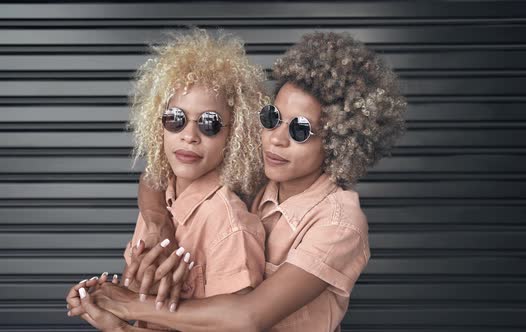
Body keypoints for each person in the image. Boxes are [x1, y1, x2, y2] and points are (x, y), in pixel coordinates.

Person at [70, 31, 407, 332]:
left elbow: (247, 318)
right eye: (272, 118)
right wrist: (161, 230)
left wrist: (127, 304)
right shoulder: (261, 171)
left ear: (339, 141)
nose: (276, 139)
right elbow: (158, 176)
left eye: (300, 130)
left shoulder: (339, 224)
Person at [65, 29, 270, 331]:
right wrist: (104, 303)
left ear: (234, 135)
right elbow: (142, 306)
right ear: (157, 124)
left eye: (209, 124)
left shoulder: (231, 227)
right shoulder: (161, 201)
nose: (189, 135)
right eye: (175, 118)